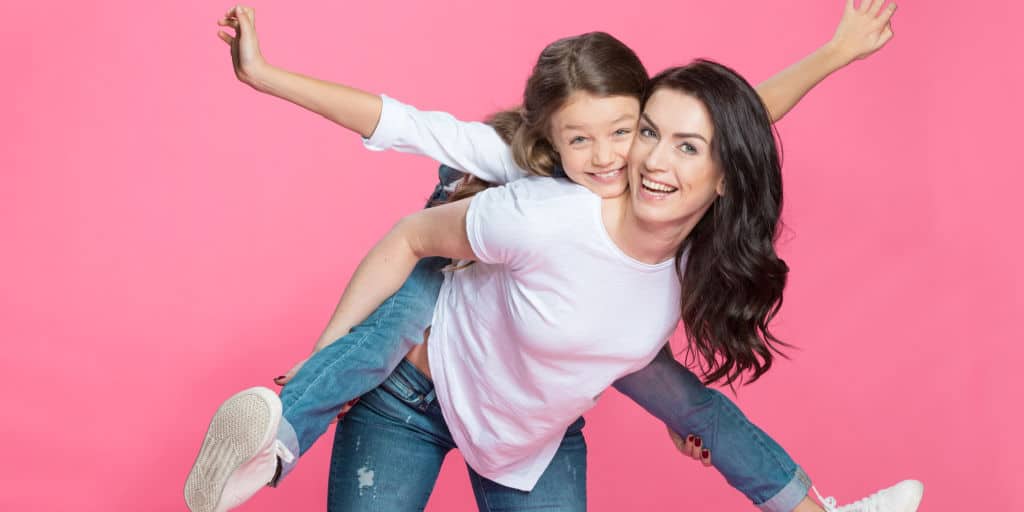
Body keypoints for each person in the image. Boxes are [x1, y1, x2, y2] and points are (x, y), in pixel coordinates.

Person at [186, 3, 921, 512]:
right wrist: (266, 75)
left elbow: (734, 121)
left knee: (695, 404)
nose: (618, 158)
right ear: (551, 135)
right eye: (581, 140)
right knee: (402, 313)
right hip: (432, 358)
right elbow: (402, 128)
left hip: (537, 411)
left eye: (634, 133)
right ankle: (276, 439)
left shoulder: (671, 186)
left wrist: (835, 52)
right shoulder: (532, 186)